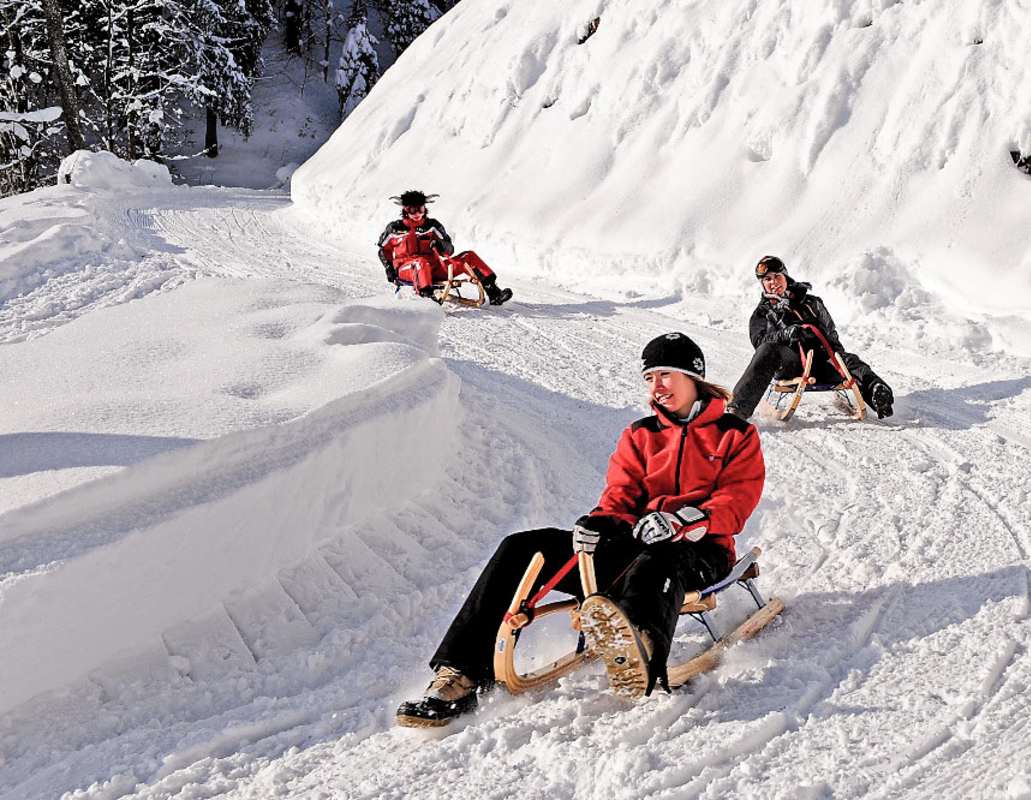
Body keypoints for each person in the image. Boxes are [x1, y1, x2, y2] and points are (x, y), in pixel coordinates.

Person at [395, 332, 766, 726]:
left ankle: (639, 644)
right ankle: (459, 673)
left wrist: (685, 520)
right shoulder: (640, 435)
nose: (656, 387)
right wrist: (600, 523)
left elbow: (737, 499)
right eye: (649, 377)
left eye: (665, 375)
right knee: (522, 547)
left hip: (700, 550)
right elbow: (620, 494)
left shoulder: (736, 434)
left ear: (694, 377)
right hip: (633, 546)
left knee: (659, 558)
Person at [727, 255, 894, 420]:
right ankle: (738, 410)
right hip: (791, 365)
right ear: (762, 284)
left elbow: (831, 333)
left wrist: (838, 358)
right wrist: (785, 335)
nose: (773, 282)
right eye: (767, 279)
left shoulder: (812, 303)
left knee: (848, 360)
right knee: (768, 349)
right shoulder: (762, 314)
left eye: (777, 276)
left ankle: (877, 392)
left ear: (785, 277)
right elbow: (759, 343)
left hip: (823, 362)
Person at [376, 189, 513, 306]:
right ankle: (427, 297)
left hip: (433, 268)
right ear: (405, 210)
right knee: (420, 262)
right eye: (413, 210)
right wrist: (389, 268)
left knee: (468, 256)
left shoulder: (432, 225)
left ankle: (494, 292)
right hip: (407, 268)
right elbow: (383, 250)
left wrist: (441, 245)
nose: (417, 213)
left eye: (420, 209)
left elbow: (449, 249)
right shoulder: (395, 228)